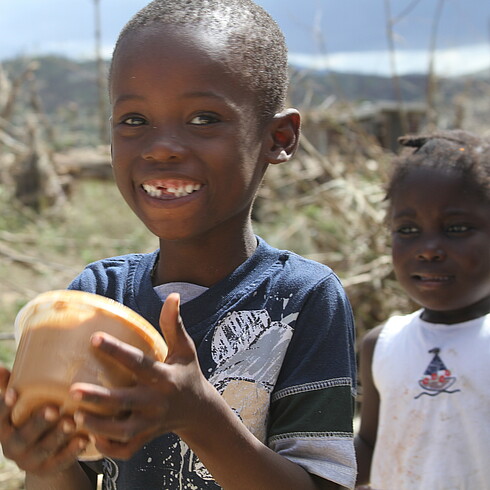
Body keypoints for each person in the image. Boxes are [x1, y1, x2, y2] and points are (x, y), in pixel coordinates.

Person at [0, 1, 357, 488]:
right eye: (134, 120)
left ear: (279, 137)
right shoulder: (97, 300)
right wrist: (46, 460)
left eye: (204, 118)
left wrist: (199, 416)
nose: (160, 146)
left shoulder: (302, 299)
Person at [355, 129, 490, 489]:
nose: (429, 249)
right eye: (408, 229)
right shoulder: (381, 345)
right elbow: (370, 447)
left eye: (456, 228)